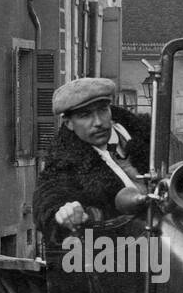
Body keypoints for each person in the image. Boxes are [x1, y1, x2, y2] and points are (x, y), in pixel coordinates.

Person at [33, 77, 152, 242]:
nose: (98, 122)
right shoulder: (63, 163)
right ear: (69, 123)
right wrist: (63, 212)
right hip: (124, 252)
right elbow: (48, 201)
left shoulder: (150, 132)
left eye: (102, 110)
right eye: (85, 115)